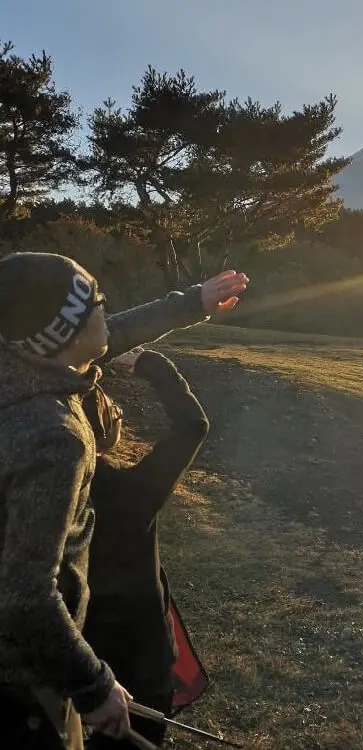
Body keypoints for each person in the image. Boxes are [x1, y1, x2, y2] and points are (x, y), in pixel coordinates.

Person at [0, 252, 247, 749]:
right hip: (25, 690)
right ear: (61, 337)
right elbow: (26, 595)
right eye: (94, 303)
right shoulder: (54, 438)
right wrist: (94, 687)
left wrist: (192, 304)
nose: (105, 308)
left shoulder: (21, 367)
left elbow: (111, 330)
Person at [82, 347, 209, 748]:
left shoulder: (21, 489)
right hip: (142, 664)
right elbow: (192, 425)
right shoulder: (130, 492)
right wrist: (149, 363)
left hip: (68, 666)